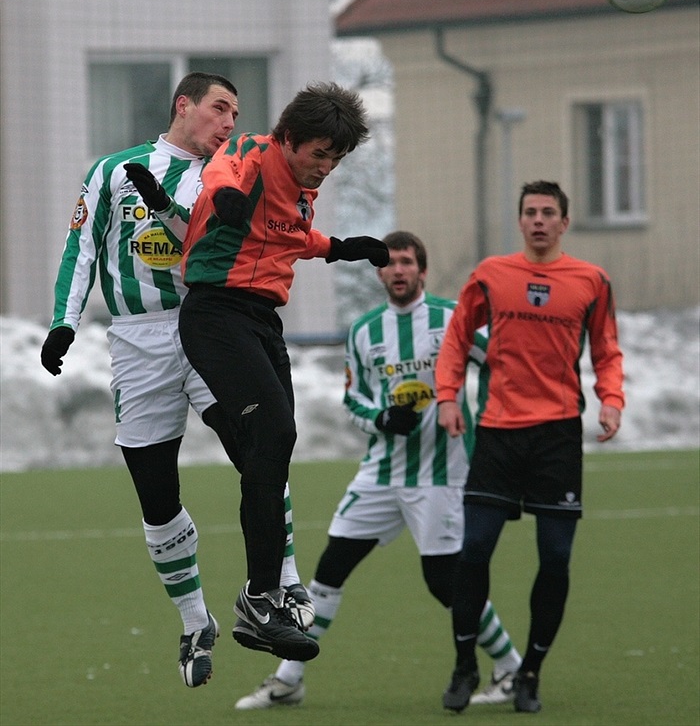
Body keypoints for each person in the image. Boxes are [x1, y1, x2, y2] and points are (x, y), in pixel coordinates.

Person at [40, 71, 311, 689]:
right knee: (157, 494)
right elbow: (81, 248)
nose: (230, 122)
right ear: (182, 105)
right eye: (220, 108)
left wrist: (168, 208)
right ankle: (195, 621)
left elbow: (216, 241)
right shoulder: (113, 171)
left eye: (236, 113)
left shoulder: (235, 171)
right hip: (138, 341)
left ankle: (283, 585)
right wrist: (63, 322)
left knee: (263, 451)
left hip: (211, 324)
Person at [146, 81, 389, 664]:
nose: (325, 167)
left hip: (261, 321)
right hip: (215, 313)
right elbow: (221, 175)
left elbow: (294, 237)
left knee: (272, 449)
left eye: (336, 159)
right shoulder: (253, 151)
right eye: (319, 154)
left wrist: (343, 247)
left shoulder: (304, 193)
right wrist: (228, 199)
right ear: (289, 138)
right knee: (273, 432)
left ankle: (265, 602)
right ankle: (262, 596)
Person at [234, 230, 522, 710]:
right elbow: (354, 399)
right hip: (381, 474)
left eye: (407, 261)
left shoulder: (452, 317)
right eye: (389, 263)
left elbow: (500, 362)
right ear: (379, 272)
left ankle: (510, 666)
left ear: (422, 270)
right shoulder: (364, 331)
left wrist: (490, 418)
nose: (398, 270)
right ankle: (288, 679)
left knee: (444, 582)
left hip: (441, 475)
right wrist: (381, 418)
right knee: (330, 570)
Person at [436, 180, 625, 714]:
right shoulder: (492, 274)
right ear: (520, 221)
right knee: (474, 551)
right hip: (498, 431)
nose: (538, 220)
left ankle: (531, 673)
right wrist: (447, 396)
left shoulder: (591, 280)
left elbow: (607, 349)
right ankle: (465, 664)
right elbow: (457, 337)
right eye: (530, 212)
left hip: (557, 435)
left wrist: (612, 399)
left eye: (548, 212)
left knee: (557, 558)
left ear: (564, 222)